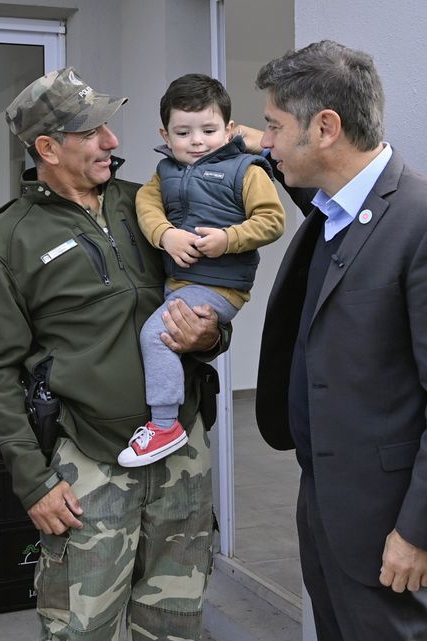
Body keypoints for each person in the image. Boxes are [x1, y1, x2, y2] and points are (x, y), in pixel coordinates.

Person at [0, 66, 227, 641]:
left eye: (108, 126)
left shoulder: (150, 202)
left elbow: (207, 289)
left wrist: (210, 334)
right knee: (77, 639)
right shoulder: (4, 240)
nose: (112, 141)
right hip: (88, 461)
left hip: (179, 444)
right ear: (47, 149)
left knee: (177, 626)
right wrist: (32, 481)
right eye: (92, 131)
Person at [248, 40, 427, 641]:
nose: (267, 144)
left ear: (325, 128)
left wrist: (421, 532)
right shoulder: (330, 210)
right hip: (324, 503)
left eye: (276, 127)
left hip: (390, 522)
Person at [120, 73, 284, 467]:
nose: (197, 141)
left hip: (219, 288)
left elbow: (272, 220)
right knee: (157, 335)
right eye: (184, 132)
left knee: (156, 336)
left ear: (229, 130)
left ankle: (164, 425)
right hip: (179, 283)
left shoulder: (247, 170)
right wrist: (166, 237)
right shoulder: (163, 174)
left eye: (209, 130)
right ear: (166, 133)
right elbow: (147, 208)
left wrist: (228, 239)